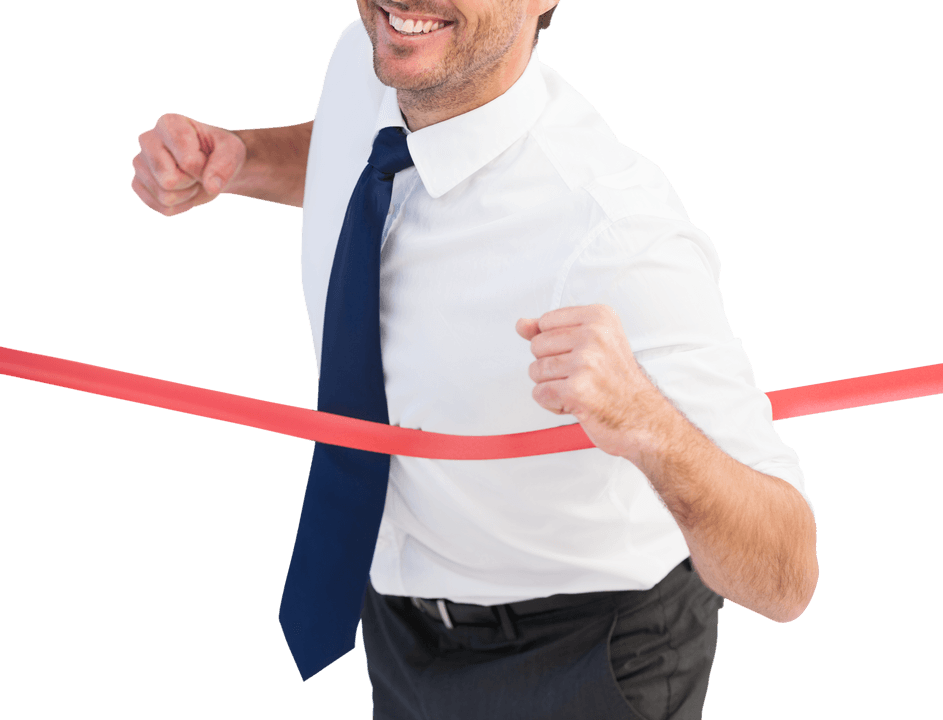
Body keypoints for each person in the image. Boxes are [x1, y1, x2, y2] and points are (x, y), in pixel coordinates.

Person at [130, 2, 819, 718]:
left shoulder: (616, 232)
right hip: (402, 620)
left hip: (584, 654)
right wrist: (240, 160)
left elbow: (786, 574)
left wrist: (648, 422)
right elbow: (357, 156)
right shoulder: (371, 60)